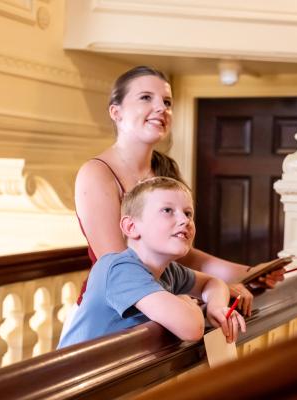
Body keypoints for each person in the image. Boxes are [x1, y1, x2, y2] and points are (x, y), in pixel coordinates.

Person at [73, 65, 284, 318]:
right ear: (115, 112)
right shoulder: (96, 173)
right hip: (112, 315)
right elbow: (120, 268)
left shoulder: (164, 170)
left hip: (164, 309)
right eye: (146, 98)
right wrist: (200, 293)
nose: (161, 108)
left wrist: (251, 273)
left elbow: (184, 256)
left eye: (167, 101)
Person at [58, 177, 246, 348]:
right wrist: (183, 299)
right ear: (131, 227)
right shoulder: (119, 269)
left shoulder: (169, 271)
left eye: (188, 213)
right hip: (74, 379)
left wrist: (217, 307)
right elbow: (192, 328)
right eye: (167, 210)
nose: (184, 220)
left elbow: (213, 283)